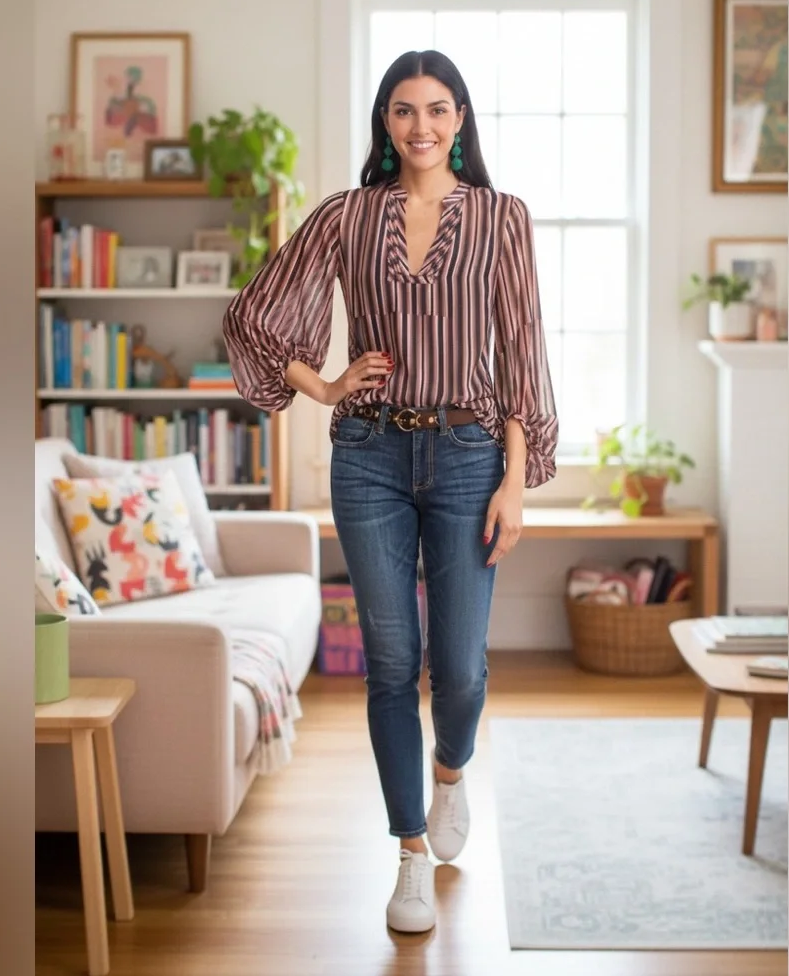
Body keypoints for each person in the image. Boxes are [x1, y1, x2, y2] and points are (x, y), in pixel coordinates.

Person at [222, 49, 558, 934]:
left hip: (471, 455)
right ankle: (409, 850)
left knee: (462, 671)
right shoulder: (345, 216)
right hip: (368, 455)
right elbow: (254, 314)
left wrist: (515, 482)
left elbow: (523, 356)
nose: (422, 127)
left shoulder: (501, 218)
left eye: (438, 110)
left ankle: (450, 774)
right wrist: (327, 385)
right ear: (384, 121)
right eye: (404, 111)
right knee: (389, 664)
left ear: (461, 119)